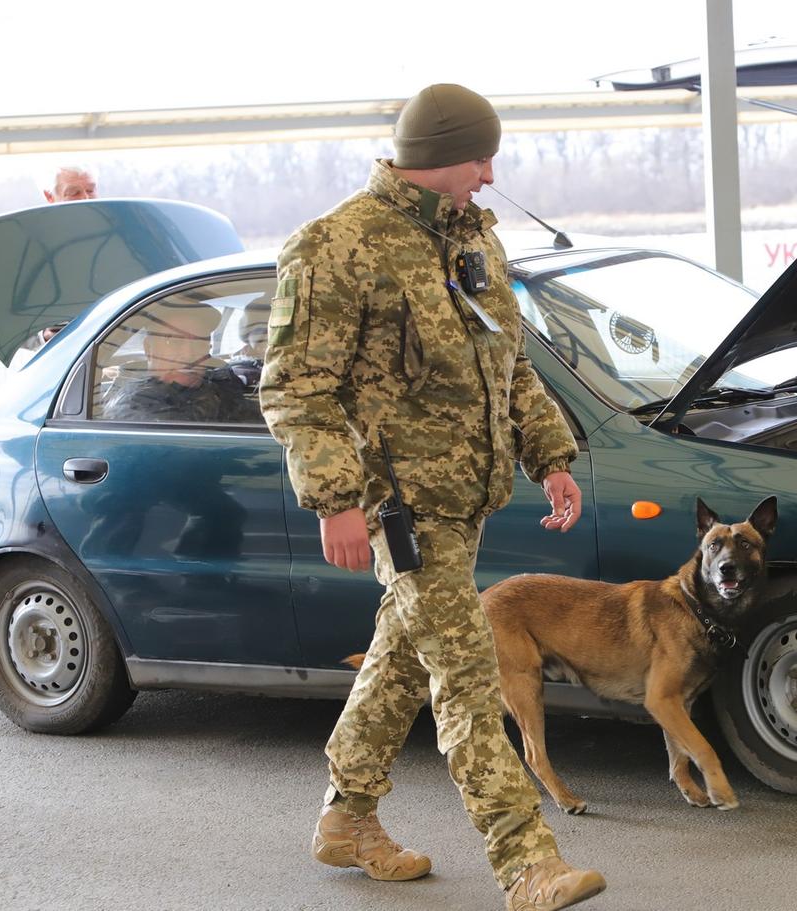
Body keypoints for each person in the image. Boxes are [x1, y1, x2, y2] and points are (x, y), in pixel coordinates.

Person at [259, 84, 605, 911]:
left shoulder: (470, 238)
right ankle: (527, 862)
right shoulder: (336, 246)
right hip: (399, 506)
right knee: (466, 671)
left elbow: (509, 361)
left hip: (465, 497)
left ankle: (347, 817)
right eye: (483, 157)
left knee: (403, 657)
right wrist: (335, 500)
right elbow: (296, 390)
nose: (491, 175)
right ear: (445, 153)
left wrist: (549, 452)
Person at [101, 301, 258, 423]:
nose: (189, 354)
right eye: (174, 341)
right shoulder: (135, 408)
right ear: (149, 348)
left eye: (199, 342)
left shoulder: (219, 384)